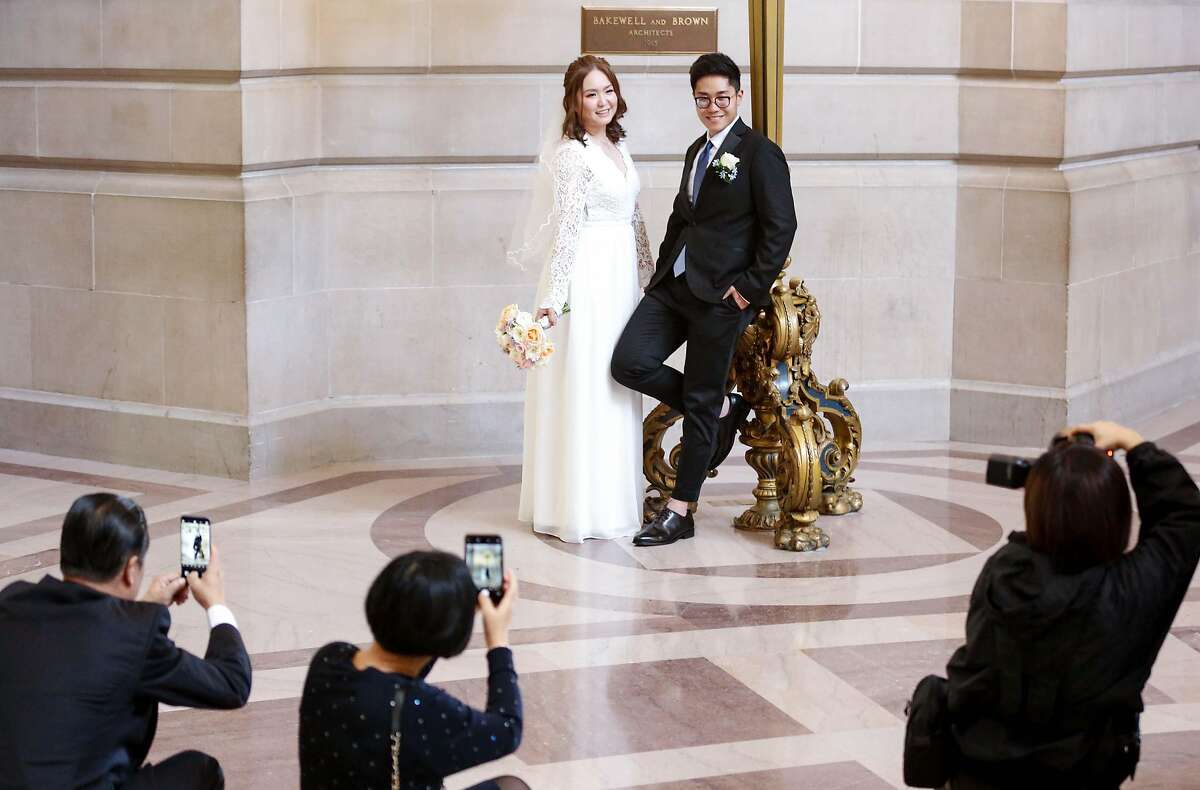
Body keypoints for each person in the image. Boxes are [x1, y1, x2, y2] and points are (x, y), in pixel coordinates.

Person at [943, 421, 1200, 787]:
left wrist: (1059, 475)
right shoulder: (1131, 593)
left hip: (978, 771)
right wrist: (1134, 444)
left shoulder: (1004, 572)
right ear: (1116, 515)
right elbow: (1184, 517)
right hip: (1082, 775)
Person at [610, 52, 798, 547]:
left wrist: (748, 291)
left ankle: (681, 509)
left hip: (722, 296)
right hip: (675, 286)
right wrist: (656, 274)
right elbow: (684, 217)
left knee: (698, 394)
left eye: (721, 97)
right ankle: (716, 410)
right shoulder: (696, 149)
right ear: (694, 100)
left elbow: (781, 229)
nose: (712, 106)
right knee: (629, 363)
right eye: (702, 98)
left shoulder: (760, 152)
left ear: (738, 95)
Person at [0, 493, 251, 789]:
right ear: (131, 570)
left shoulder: (11, 602)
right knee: (200, 770)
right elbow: (232, 684)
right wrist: (215, 604)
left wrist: (140, 612)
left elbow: (88, 644)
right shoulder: (134, 635)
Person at [515, 54, 655, 543]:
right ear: (575, 101)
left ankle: (616, 498)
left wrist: (648, 274)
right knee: (589, 384)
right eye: (591, 93)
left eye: (608, 90)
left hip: (619, 278)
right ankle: (579, 506)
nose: (602, 101)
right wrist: (554, 299)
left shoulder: (617, 144)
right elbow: (568, 229)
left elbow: (634, 216)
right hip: (588, 279)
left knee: (618, 385)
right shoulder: (572, 154)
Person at [299, 551, 527, 790]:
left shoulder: (330, 659)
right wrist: (498, 641)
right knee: (512, 787)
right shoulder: (420, 709)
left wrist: (455, 618)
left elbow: (398, 669)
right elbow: (506, 729)